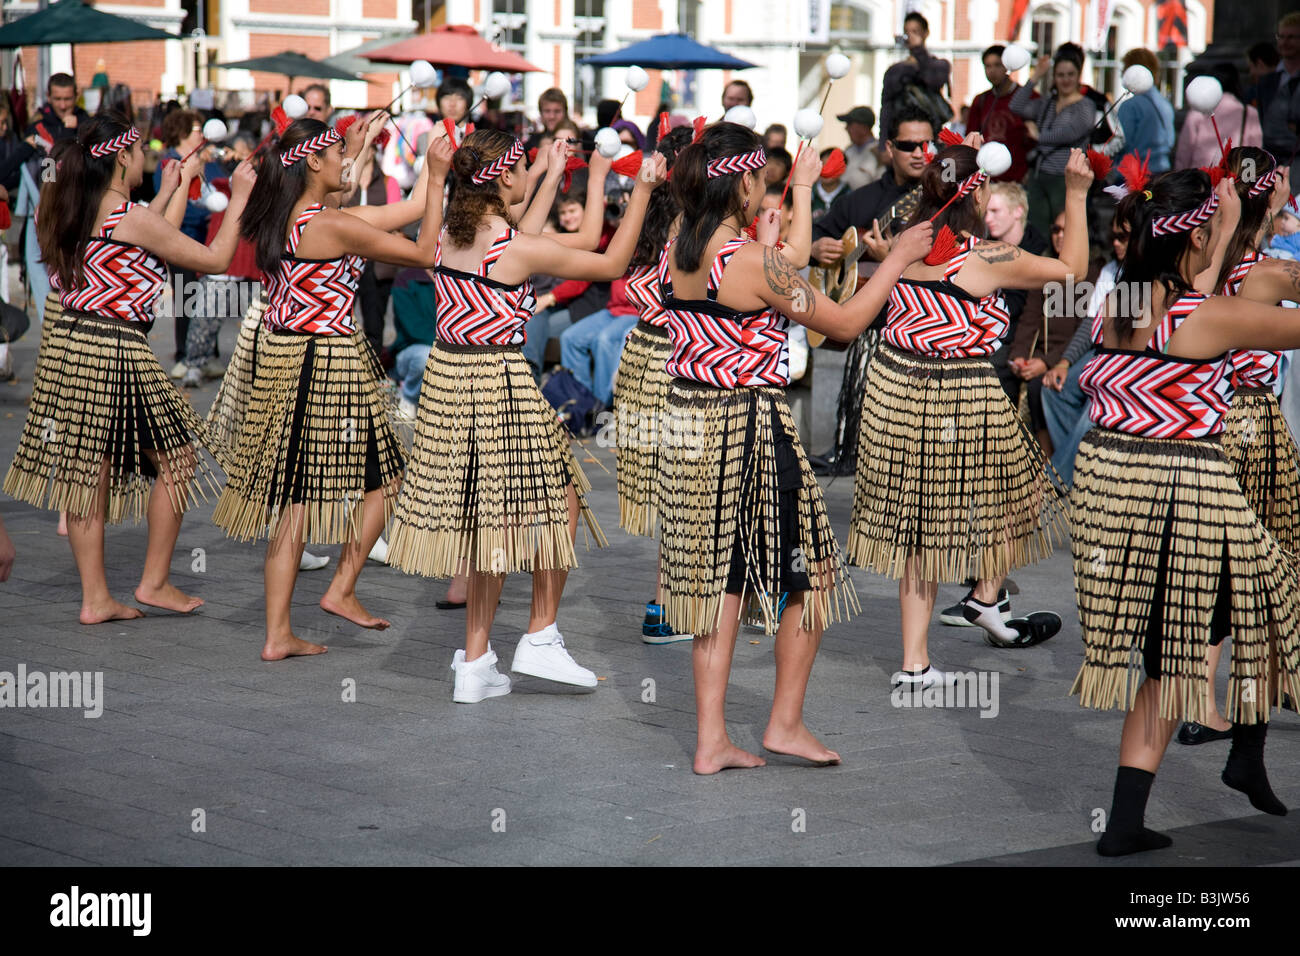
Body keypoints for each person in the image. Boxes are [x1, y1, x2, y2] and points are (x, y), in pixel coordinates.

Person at [655, 122, 932, 773]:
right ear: (744, 182)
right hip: (753, 434)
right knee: (816, 574)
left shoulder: (683, 249)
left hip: (694, 428)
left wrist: (805, 198)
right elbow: (841, 324)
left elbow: (787, 269)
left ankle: (711, 740)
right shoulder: (750, 260)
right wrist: (893, 261)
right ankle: (782, 723)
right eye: (764, 179)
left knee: (719, 588)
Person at [384, 129, 665, 704]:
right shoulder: (512, 248)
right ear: (504, 179)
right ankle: (539, 636)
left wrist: (555, 173)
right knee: (559, 497)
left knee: (490, 521)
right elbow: (608, 256)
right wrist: (636, 189)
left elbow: (527, 235)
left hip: (449, 382)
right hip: (499, 384)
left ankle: (476, 660)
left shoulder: (442, 237)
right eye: (520, 171)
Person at [1072, 165, 1300, 856]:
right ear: (1195, 235)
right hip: (1182, 495)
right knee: (1268, 608)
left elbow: (1191, 291)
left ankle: (1129, 820)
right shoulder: (1209, 315)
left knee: (1172, 656)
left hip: (1112, 488)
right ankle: (1243, 751)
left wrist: (1223, 227)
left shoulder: (1127, 301)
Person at [847, 140, 1094, 685]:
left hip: (895, 391)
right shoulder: (983, 257)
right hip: (962, 395)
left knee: (920, 526)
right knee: (1023, 496)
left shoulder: (902, 246)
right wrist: (1075, 194)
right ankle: (986, 596)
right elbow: (1073, 268)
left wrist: (964, 159)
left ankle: (921, 658)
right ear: (977, 192)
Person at [214, 116, 451, 661]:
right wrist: (438, 178)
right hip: (321, 365)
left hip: (292, 360)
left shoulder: (293, 217)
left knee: (316, 498)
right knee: (371, 486)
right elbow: (421, 251)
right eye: (337, 153)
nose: (347, 160)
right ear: (312, 163)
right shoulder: (329, 226)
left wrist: (411, 170)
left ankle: (314, 608)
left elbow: (409, 209)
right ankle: (323, 601)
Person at [3, 112, 255, 624]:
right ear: (122, 155)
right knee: (179, 460)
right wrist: (242, 199)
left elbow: (143, 233)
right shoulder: (127, 215)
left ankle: (96, 598)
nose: (147, 155)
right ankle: (154, 581)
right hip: (115, 350)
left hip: (72, 345)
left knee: (86, 471)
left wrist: (171, 188)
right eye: (140, 148)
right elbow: (211, 259)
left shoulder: (75, 202)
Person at [1176, 149, 1297, 747]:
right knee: (1252, 565)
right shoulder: (1269, 271)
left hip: (1208, 422)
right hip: (1253, 420)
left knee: (1214, 562)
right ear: (1271, 196)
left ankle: (1207, 697)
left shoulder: (1203, 262)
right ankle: (1234, 699)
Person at [810, 105, 935, 475]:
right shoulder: (861, 199)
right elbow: (819, 231)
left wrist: (895, 259)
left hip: (921, 328)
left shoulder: (940, 200)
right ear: (889, 148)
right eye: (909, 145)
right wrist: (819, 248)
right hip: (869, 322)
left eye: (927, 145)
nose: (919, 153)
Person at [607, 125, 695, 644]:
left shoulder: (648, 214)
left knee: (675, 484)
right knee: (688, 484)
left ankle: (670, 599)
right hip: (681, 359)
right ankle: (668, 603)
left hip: (642, 354)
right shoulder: (694, 226)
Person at [1041, 218, 1128, 485]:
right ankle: (1083, 469)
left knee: (1097, 395)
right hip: (1099, 352)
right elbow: (1091, 323)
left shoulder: (1151, 274)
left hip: (1130, 357)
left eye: (1123, 236)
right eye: (1113, 236)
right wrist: (1064, 363)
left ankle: (1056, 479)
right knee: (1053, 388)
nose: (1115, 242)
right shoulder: (1111, 270)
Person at [154, 109, 215, 378]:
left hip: (206, 239)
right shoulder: (169, 163)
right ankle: (183, 355)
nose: (202, 135)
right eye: (196, 130)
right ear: (181, 133)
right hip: (180, 240)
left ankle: (205, 353)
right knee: (187, 297)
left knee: (210, 299)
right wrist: (209, 212)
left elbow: (217, 190)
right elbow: (171, 204)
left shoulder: (205, 160)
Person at [1012, 43, 1097, 234]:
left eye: (1070, 74)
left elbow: (1073, 131)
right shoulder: (1047, 102)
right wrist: (1036, 76)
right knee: (1038, 232)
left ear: (1078, 76)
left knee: (1065, 231)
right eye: (1060, 75)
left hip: (1066, 177)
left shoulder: (1085, 105)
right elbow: (1015, 106)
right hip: (1040, 175)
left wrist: (1038, 136)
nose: (1065, 80)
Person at [979, 181, 1048, 406]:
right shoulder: (985, 249)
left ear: (1018, 211)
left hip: (1019, 341)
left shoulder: (1039, 251)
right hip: (988, 334)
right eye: (986, 212)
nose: (988, 219)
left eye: (995, 211)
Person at [879, 12, 951, 145]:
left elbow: (933, 81)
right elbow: (886, 108)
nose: (910, 36)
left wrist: (919, 51)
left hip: (931, 136)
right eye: (907, 32)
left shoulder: (939, 65)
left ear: (925, 33)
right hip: (901, 138)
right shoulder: (895, 71)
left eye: (915, 31)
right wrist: (883, 144)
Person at [967, 46, 1036, 184]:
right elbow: (970, 138)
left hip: (1018, 179)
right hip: (986, 178)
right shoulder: (980, 100)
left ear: (1007, 66)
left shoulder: (1030, 98)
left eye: (998, 65)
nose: (992, 71)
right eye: (988, 66)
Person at [1175, 63, 1262, 170]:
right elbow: (1255, 154)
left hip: (1200, 179)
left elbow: (1184, 152)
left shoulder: (1197, 111)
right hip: (1234, 179)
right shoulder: (1249, 113)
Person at [1114, 49, 1175, 174]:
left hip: (1134, 176)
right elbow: (1170, 141)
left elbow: (1120, 143)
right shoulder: (1165, 104)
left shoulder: (1130, 106)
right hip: (1162, 173)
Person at [1258, 12, 1300, 179]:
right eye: (1281, 36)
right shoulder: (1267, 82)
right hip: (1273, 166)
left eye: (1291, 37)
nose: (1284, 42)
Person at [836, 106, 884, 191]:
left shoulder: (880, 151)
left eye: (849, 124)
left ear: (863, 127)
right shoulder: (849, 150)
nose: (846, 128)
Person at [812, 147, 849, 220]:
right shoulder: (809, 193)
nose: (827, 170)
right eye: (823, 165)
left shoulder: (849, 195)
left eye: (832, 166)